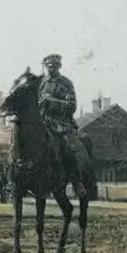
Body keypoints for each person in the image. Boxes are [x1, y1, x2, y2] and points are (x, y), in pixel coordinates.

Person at [37, 53, 94, 199]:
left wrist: (51, 102)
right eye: (49, 66)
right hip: (42, 123)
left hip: (61, 123)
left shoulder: (66, 83)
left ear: (59, 67)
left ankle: (77, 181)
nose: (51, 69)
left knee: (67, 147)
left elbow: (71, 105)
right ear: (45, 67)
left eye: (55, 66)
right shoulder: (40, 83)